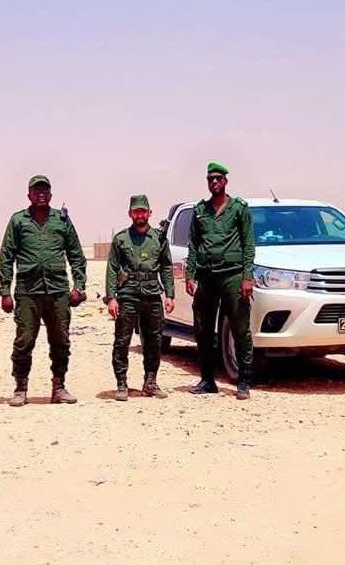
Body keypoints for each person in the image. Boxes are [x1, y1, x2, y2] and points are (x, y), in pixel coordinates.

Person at [0, 175, 87, 406]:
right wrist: (5, 292)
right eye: (36, 191)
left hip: (58, 291)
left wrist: (79, 286)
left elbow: (76, 255)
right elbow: (6, 257)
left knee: (61, 341)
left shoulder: (62, 221)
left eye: (45, 191)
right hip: (28, 292)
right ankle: (20, 388)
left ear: (51, 195)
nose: (41, 195)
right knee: (24, 341)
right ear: (29, 195)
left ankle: (59, 387)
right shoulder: (18, 221)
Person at [184, 161, 256, 400]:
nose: (214, 182)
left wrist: (247, 277)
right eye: (210, 179)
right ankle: (207, 380)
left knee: (240, 328)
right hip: (206, 277)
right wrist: (190, 274)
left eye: (218, 178)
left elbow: (248, 245)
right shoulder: (200, 211)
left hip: (233, 275)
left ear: (226, 181)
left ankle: (244, 381)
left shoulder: (239, 209)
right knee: (203, 329)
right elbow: (193, 244)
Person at [105, 194, 176, 401]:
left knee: (154, 341)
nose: (140, 215)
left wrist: (169, 294)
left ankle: (150, 382)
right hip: (128, 295)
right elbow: (112, 268)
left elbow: (166, 267)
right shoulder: (121, 239)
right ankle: (121, 383)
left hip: (152, 294)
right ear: (130, 214)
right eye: (136, 211)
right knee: (122, 341)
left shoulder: (158, 238)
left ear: (149, 213)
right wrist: (111, 298)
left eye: (143, 211)